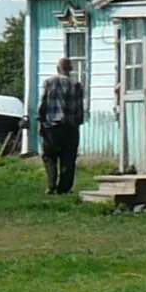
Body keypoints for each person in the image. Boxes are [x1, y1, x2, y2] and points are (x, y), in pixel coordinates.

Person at [37, 57, 87, 195]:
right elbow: (80, 107)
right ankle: (64, 188)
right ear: (71, 69)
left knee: (49, 156)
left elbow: (43, 104)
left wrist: (40, 121)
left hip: (51, 125)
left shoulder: (49, 83)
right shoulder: (76, 84)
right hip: (70, 126)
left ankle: (51, 185)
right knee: (68, 157)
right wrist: (78, 122)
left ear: (57, 68)